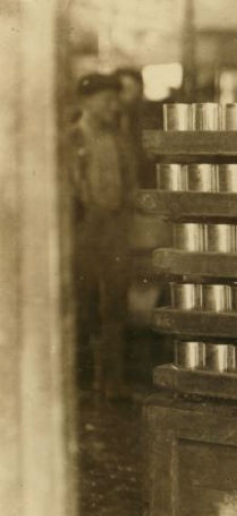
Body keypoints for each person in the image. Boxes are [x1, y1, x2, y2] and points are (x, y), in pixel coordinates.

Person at [69, 73, 135, 400]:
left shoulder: (119, 139)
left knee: (115, 305)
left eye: (115, 100)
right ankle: (81, 384)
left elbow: (130, 183)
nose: (114, 106)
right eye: (107, 100)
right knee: (83, 304)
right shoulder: (73, 138)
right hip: (83, 232)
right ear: (87, 101)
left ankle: (113, 381)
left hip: (115, 229)